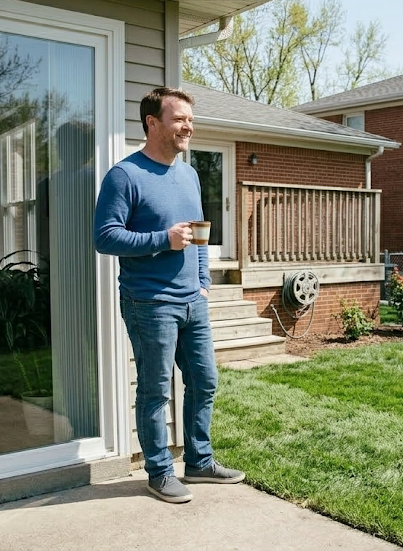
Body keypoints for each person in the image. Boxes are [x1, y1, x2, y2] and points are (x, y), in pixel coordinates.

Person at [93, 87, 243, 504]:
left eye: (190, 119)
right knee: (156, 389)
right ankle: (159, 471)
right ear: (152, 123)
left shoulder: (189, 174)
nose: (188, 126)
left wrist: (203, 282)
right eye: (179, 119)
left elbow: (196, 234)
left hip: (192, 299)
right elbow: (105, 237)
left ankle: (199, 462)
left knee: (204, 380)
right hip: (150, 302)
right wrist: (162, 239)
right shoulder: (124, 175)